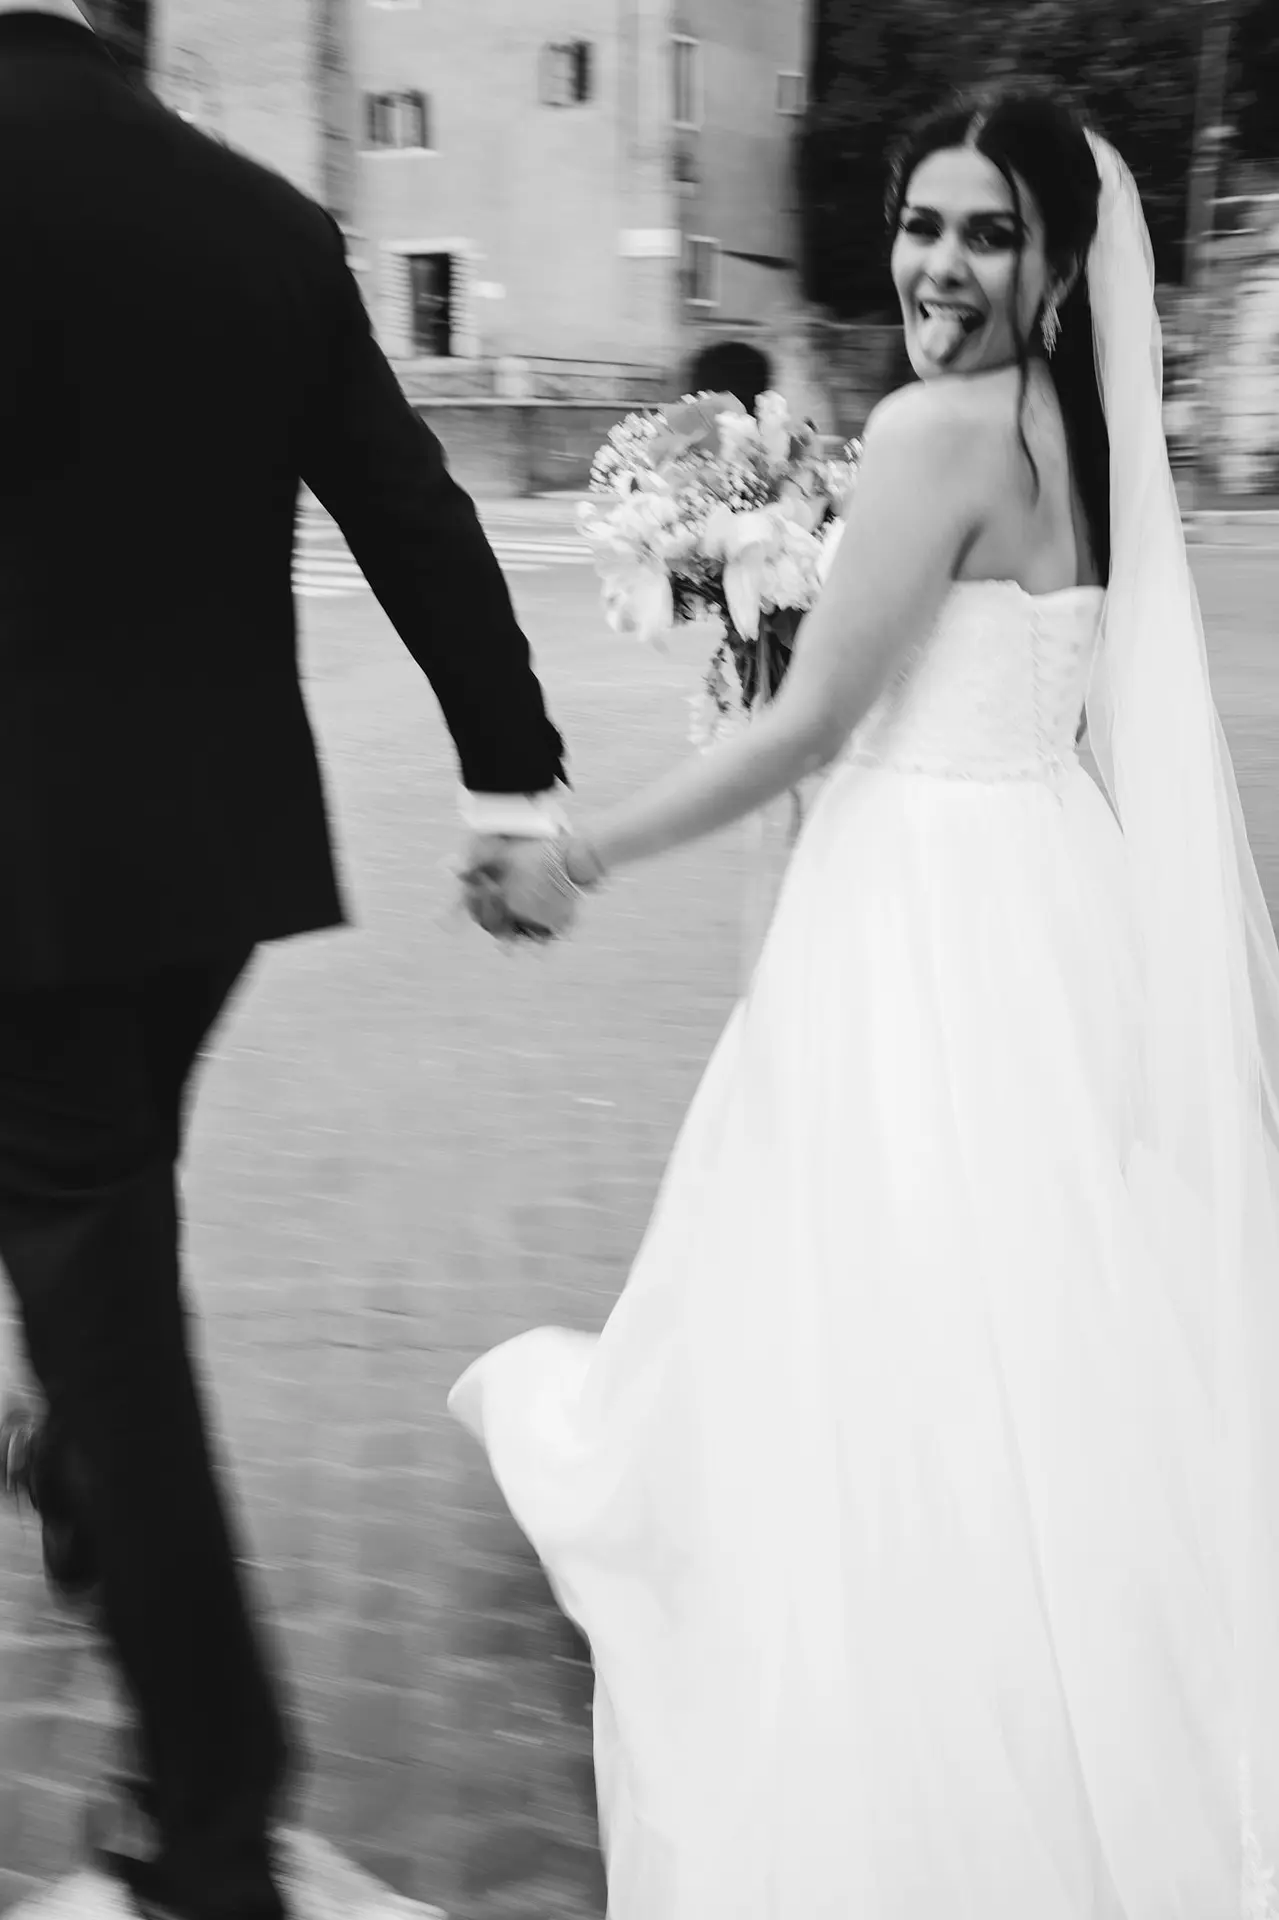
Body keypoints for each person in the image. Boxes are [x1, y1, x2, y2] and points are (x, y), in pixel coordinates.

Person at [453, 85, 1279, 1917]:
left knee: (885, 1303)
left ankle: (908, 1709)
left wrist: (574, 853)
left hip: (918, 904)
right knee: (1033, 1315)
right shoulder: (1083, 427)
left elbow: (819, 726)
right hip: (1044, 885)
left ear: (1059, 257)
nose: (938, 262)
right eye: (921, 222)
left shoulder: (931, 432)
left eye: (987, 231)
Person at [0, 4, 571, 1915]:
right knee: (86, 1227)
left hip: (30, 884)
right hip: (209, 865)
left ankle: (212, 1810)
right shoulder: (262, 222)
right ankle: (82, 1480)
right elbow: (410, 507)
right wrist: (509, 768)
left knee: (100, 1276)